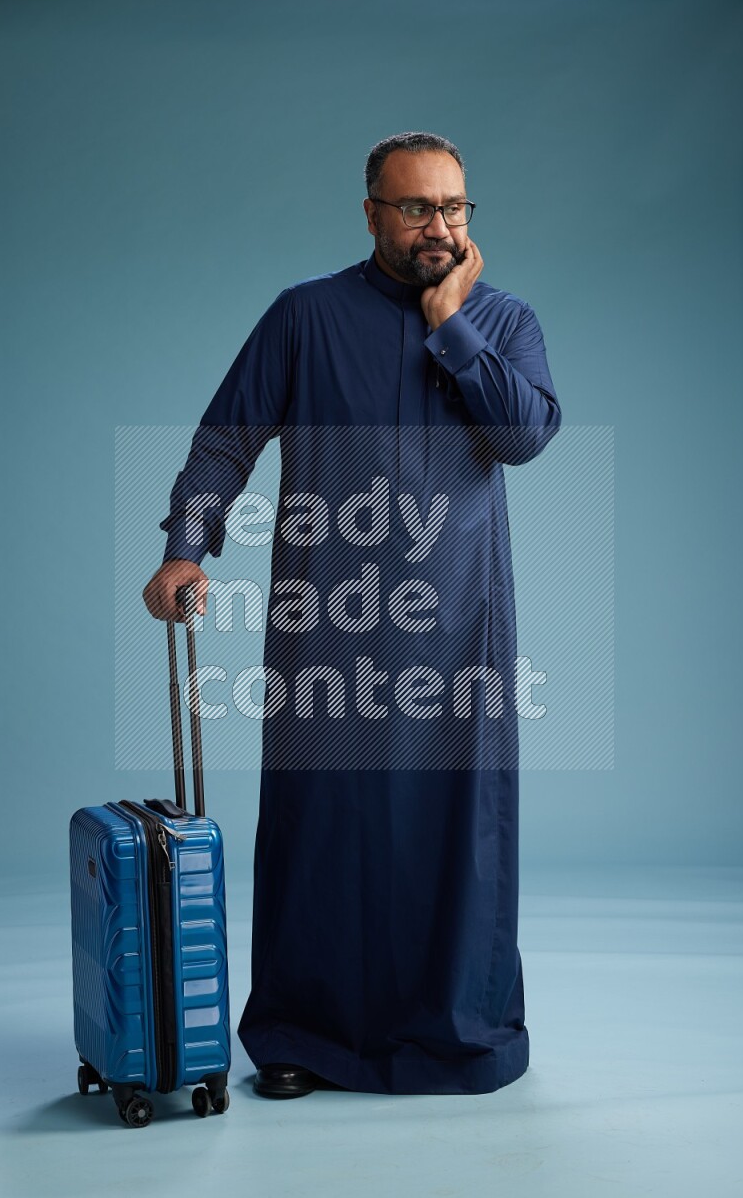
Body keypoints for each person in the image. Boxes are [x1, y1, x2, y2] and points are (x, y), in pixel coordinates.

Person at [143, 131, 561, 1098]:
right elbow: (225, 440)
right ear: (371, 212)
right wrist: (184, 547)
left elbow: (524, 433)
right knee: (322, 827)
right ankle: (303, 1036)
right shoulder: (305, 316)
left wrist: (452, 323)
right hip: (328, 625)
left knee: (459, 833)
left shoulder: (506, 320)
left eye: (454, 208)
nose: (437, 227)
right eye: (415, 208)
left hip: (461, 629)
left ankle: (464, 1034)